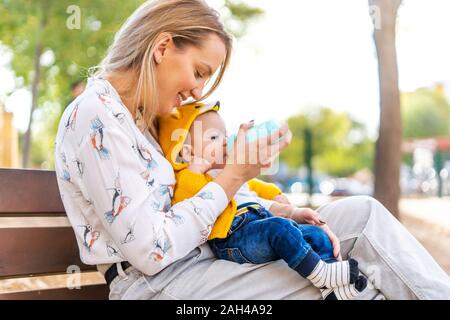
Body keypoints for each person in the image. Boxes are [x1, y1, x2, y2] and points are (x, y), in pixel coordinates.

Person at [54, 0, 450, 300]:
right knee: (353, 282)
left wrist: (275, 205)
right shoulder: (96, 115)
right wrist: (231, 177)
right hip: (160, 286)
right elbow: (152, 251)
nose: (197, 91)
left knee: (361, 215)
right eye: (199, 72)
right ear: (162, 47)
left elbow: (190, 198)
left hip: (207, 263)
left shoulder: (141, 121)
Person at [158, 102, 368, 300]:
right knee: (279, 228)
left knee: (314, 233)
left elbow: (260, 200)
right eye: (213, 137)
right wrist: (195, 168)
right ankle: (320, 273)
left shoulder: (234, 176)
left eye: (225, 136)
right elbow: (186, 203)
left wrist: (293, 212)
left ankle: (331, 287)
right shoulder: (193, 178)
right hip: (233, 241)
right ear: (187, 152)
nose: (224, 142)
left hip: (260, 227)